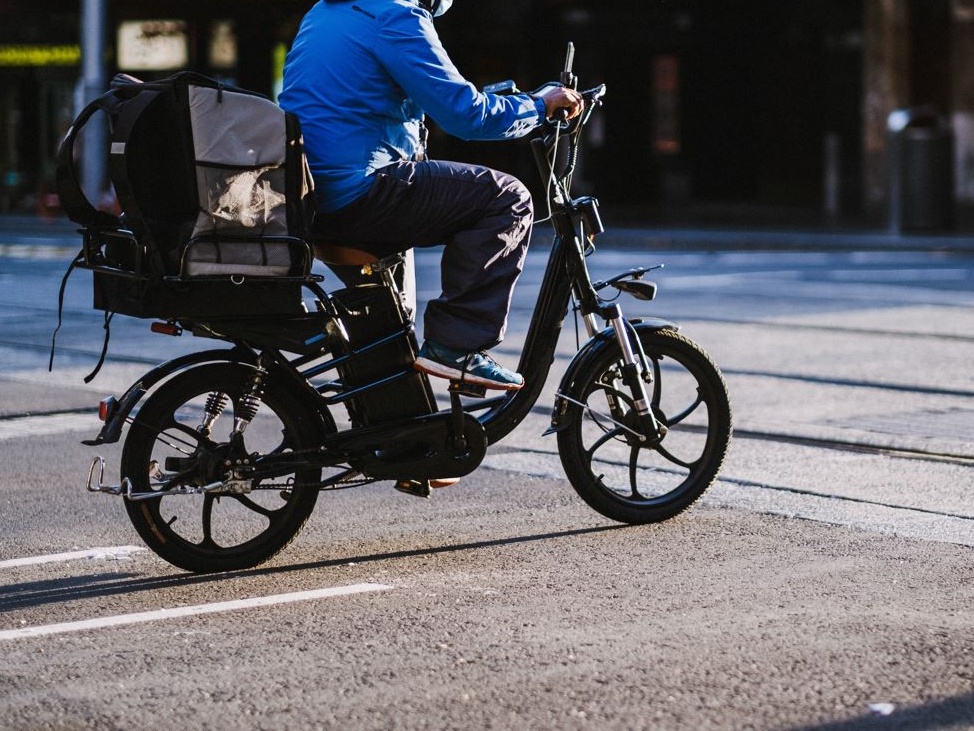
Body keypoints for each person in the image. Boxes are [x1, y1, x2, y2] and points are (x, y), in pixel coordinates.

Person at [279, 0, 583, 391]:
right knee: (507, 198)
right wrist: (539, 106)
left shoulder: (324, 12)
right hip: (359, 191)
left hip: (312, 198)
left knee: (391, 326)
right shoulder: (395, 16)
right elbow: (466, 116)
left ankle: (390, 433)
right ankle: (459, 347)